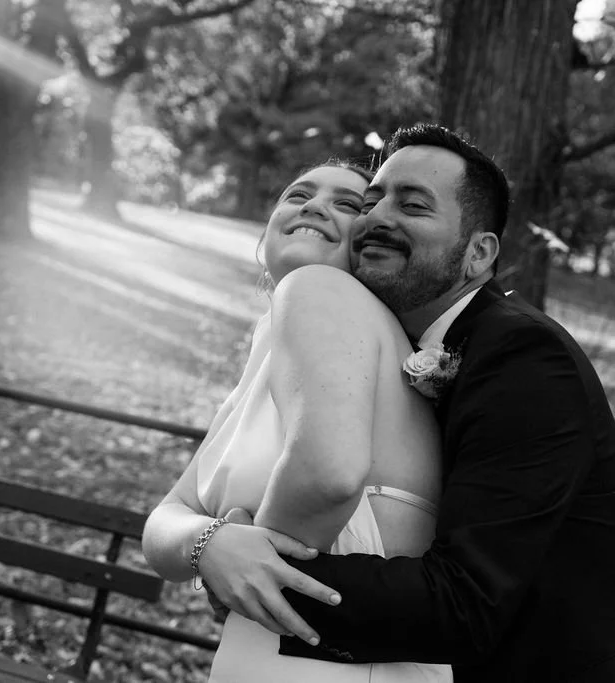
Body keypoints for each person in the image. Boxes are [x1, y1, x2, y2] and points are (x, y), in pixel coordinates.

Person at [192, 123, 615, 682]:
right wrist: (217, 553)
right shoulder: (386, 341)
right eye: (372, 199)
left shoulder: (526, 357)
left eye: (412, 205)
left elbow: (468, 598)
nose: (376, 218)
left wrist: (263, 577)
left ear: (479, 254)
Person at [141, 159, 452, 682]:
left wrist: (248, 568)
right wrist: (212, 544)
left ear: (371, 242)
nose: (313, 205)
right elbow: (167, 518)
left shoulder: (319, 290)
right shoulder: (272, 344)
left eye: (348, 204)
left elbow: (328, 474)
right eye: (298, 194)